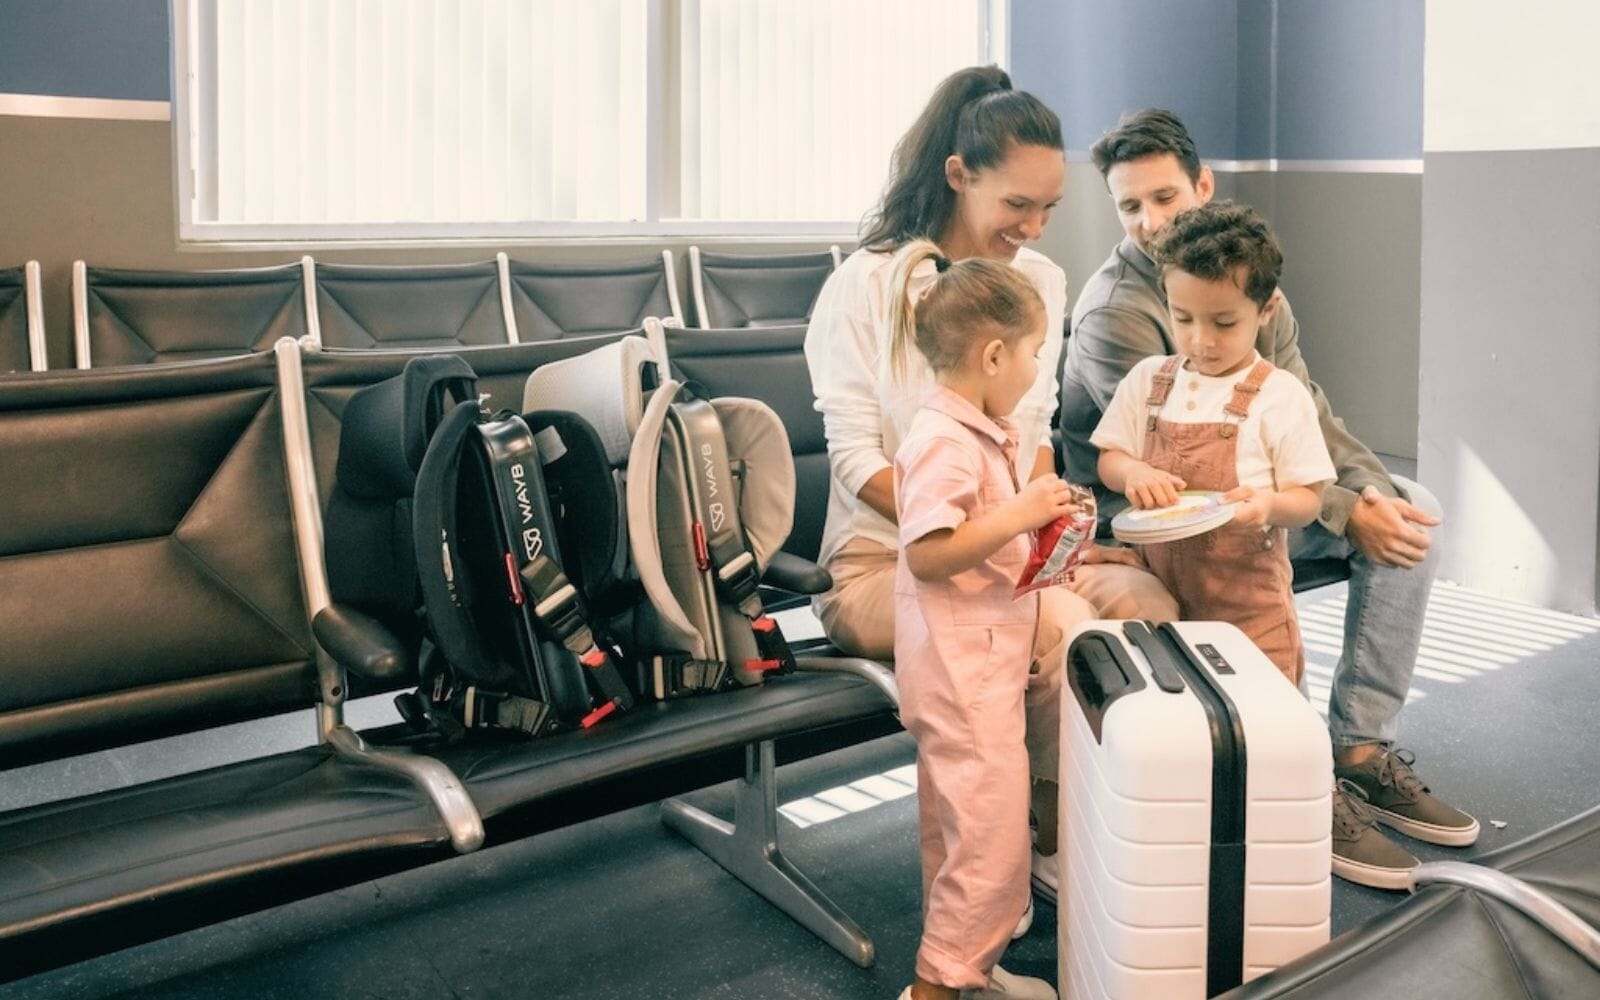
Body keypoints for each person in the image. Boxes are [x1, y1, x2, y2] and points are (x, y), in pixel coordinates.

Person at [1060, 108, 1479, 890]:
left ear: (1204, 186)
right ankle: (1296, 782)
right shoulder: (1116, 315)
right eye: (1129, 206)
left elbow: (1301, 407)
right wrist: (1339, 509)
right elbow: (1165, 461)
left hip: (1251, 506)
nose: (1149, 222)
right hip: (1153, 521)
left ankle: (1355, 750)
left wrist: (1366, 498)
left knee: (1410, 509)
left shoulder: (1249, 285)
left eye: (1164, 198)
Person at [805, 66, 1179, 906]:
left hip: (1004, 550)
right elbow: (857, 461)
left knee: (1145, 602)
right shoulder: (865, 287)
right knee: (1061, 627)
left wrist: (1052, 534)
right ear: (958, 175)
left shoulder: (1037, 283)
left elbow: (1034, 436)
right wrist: (1002, 534)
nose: (1036, 227)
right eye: (1019, 205)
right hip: (885, 565)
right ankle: (1038, 842)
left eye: (1049, 208)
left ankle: (1079, 820)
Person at [889, 240, 1061, 1000]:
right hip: (962, 676)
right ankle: (936, 986)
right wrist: (1021, 513)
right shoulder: (943, 444)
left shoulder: (973, 434)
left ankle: (967, 971)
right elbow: (930, 554)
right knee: (991, 844)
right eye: (1032, 353)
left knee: (958, 829)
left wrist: (1042, 532)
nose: (1033, 371)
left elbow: (982, 548)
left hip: (975, 662)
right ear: (994, 355)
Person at [1093, 201, 1334, 687]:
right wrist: (1133, 473)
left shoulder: (1280, 395)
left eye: (1224, 323)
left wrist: (1266, 506)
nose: (1201, 340)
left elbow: (1308, 500)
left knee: (1266, 727)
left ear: (1266, 310)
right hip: (1158, 594)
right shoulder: (1149, 381)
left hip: (1248, 610)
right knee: (1187, 724)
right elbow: (1111, 457)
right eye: (1183, 319)